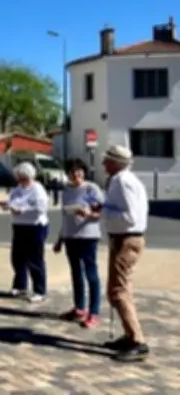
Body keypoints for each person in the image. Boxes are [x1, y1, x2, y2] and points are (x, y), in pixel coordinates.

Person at [88, 144, 149, 362]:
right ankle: (130, 335)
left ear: (116, 162)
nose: (104, 163)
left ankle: (137, 341)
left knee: (119, 291)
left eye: (107, 160)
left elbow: (130, 216)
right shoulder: (123, 180)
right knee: (118, 289)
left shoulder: (123, 181)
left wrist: (101, 211)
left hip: (126, 239)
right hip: (122, 238)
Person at [52, 158, 103, 328]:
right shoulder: (66, 191)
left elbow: (101, 211)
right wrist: (60, 239)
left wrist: (88, 214)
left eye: (79, 171)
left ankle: (94, 311)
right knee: (75, 273)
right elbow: (65, 217)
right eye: (73, 172)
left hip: (88, 235)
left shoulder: (91, 188)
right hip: (70, 236)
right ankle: (79, 307)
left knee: (91, 273)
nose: (76, 174)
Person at [0, 162, 49, 303]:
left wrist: (22, 210)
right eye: (19, 177)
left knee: (35, 259)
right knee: (18, 257)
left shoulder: (37, 189)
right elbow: (12, 200)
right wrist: (7, 205)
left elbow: (41, 208)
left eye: (23, 177)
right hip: (19, 226)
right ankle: (20, 285)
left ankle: (39, 290)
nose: (20, 180)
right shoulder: (17, 189)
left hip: (34, 226)